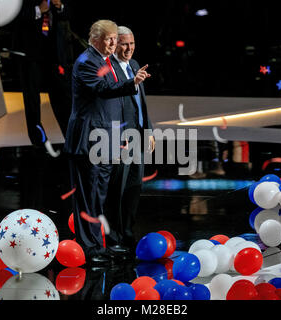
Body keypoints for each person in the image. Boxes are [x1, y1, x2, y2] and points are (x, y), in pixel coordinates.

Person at [63, 20, 151, 265]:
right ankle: (89, 249)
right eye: (109, 39)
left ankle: (98, 245)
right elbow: (103, 89)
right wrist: (131, 83)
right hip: (89, 140)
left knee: (99, 196)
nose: (113, 43)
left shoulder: (103, 61)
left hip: (105, 141)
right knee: (88, 196)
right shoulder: (86, 62)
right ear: (95, 39)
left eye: (115, 38)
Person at [106, 26, 155, 252]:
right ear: (115, 44)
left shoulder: (135, 65)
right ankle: (113, 237)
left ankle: (126, 232)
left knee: (134, 187)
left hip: (138, 136)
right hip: (121, 139)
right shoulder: (109, 69)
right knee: (118, 189)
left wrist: (149, 131)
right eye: (124, 44)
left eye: (132, 43)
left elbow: (141, 105)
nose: (129, 48)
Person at [12, 0, 75, 156]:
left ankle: (71, 138)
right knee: (32, 98)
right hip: (29, 52)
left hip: (52, 52)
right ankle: (38, 142)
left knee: (61, 94)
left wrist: (60, 6)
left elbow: (68, 14)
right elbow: (12, 15)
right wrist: (38, 10)